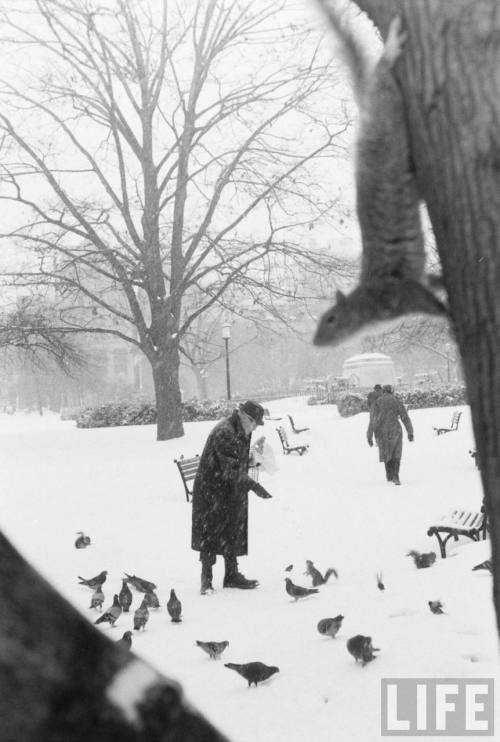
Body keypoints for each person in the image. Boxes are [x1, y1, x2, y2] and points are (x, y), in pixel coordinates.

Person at [191, 400, 272, 594]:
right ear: (246, 417)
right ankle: (206, 581)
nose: (254, 428)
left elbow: (238, 460)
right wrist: (254, 485)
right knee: (210, 533)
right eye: (254, 423)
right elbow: (230, 469)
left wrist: (254, 457)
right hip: (211, 489)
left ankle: (231, 575)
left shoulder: (242, 429)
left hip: (230, 489)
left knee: (232, 529)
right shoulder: (225, 431)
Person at [366, 384, 413, 485]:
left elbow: (372, 421)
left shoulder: (377, 403)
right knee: (396, 453)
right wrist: (410, 432)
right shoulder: (396, 401)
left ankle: (389, 475)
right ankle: (396, 475)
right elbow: (405, 417)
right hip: (395, 430)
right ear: (391, 391)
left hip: (382, 432)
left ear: (383, 391)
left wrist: (369, 436)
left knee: (387, 453)